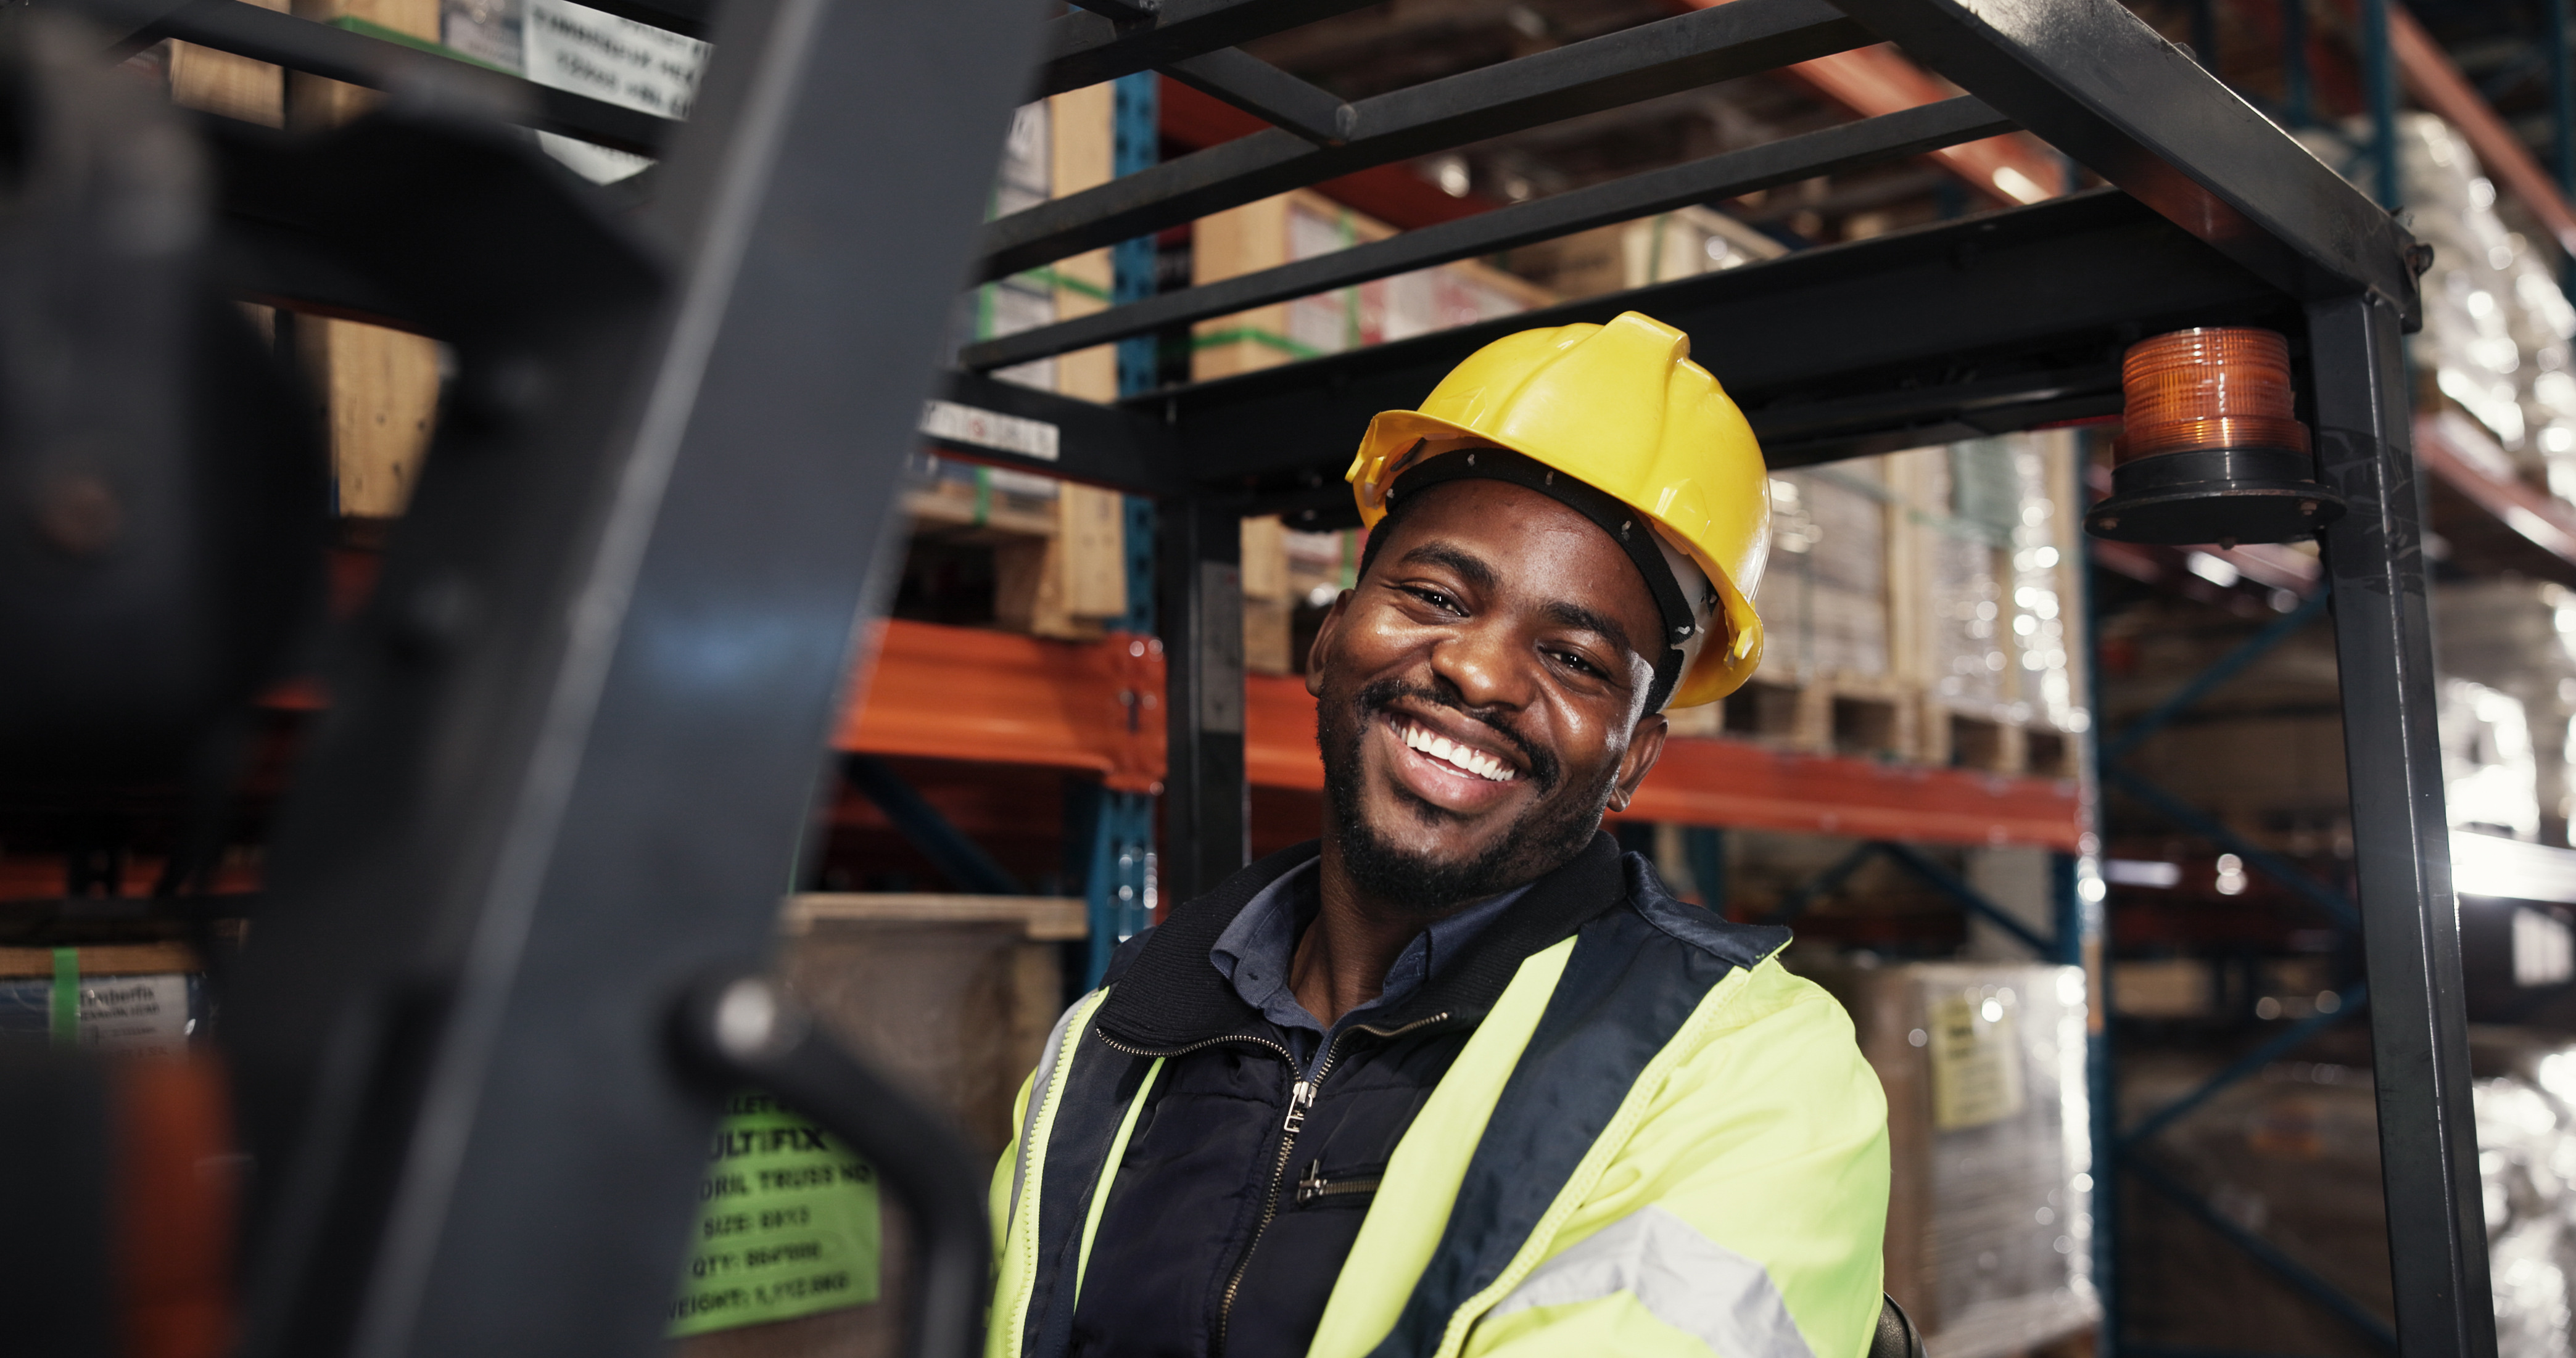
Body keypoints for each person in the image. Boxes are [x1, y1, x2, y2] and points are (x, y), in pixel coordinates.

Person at [985, 311, 1889, 1358]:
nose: (1482, 671)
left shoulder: (1748, 1073)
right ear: (1330, 638)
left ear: (1633, 760)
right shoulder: (1108, 1047)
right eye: (1432, 595)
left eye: (1576, 659)